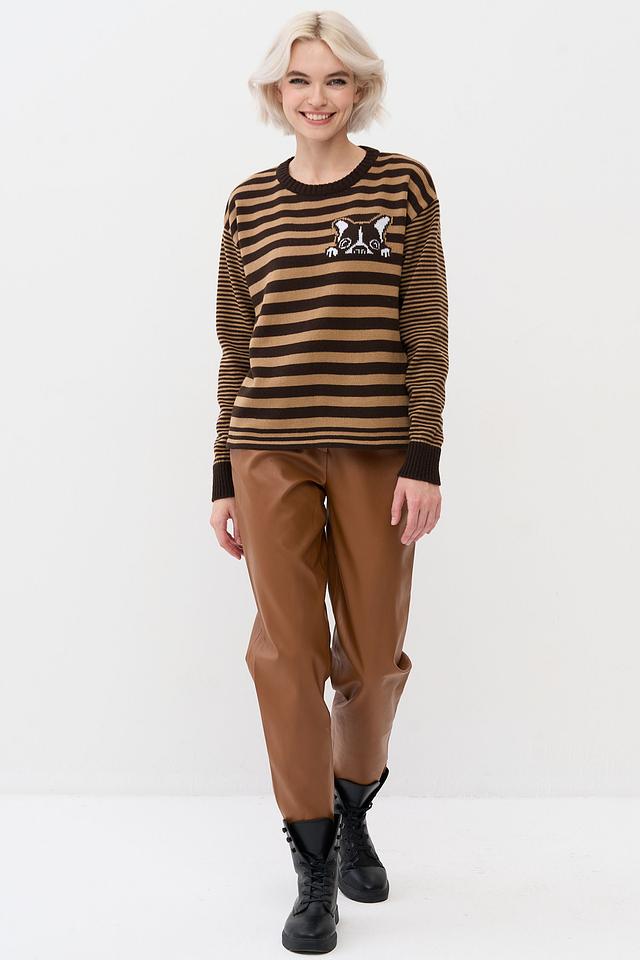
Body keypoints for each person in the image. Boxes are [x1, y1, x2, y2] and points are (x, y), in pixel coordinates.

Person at [209, 10, 449, 954]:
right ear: (277, 92)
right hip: (268, 447)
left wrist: (424, 456)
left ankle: (356, 808)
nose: (317, 97)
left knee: (375, 651)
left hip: (377, 451)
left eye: (336, 79)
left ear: (361, 89)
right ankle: (313, 864)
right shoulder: (248, 204)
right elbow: (236, 346)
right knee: (285, 654)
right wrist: (223, 474)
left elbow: (425, 327)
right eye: (300, 80)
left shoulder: (403, 186)